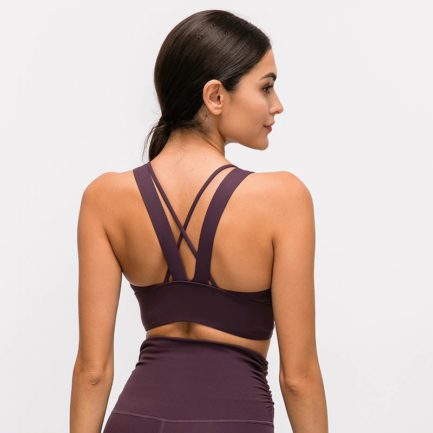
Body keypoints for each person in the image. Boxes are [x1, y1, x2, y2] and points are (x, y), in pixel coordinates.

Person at [69, 9, 328, 433]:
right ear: (215, 96)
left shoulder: (104, 198)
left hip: (135, 419)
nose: (277, 105)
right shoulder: (283, 200)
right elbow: (299, 378)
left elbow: (92, 372)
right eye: (266, 87)